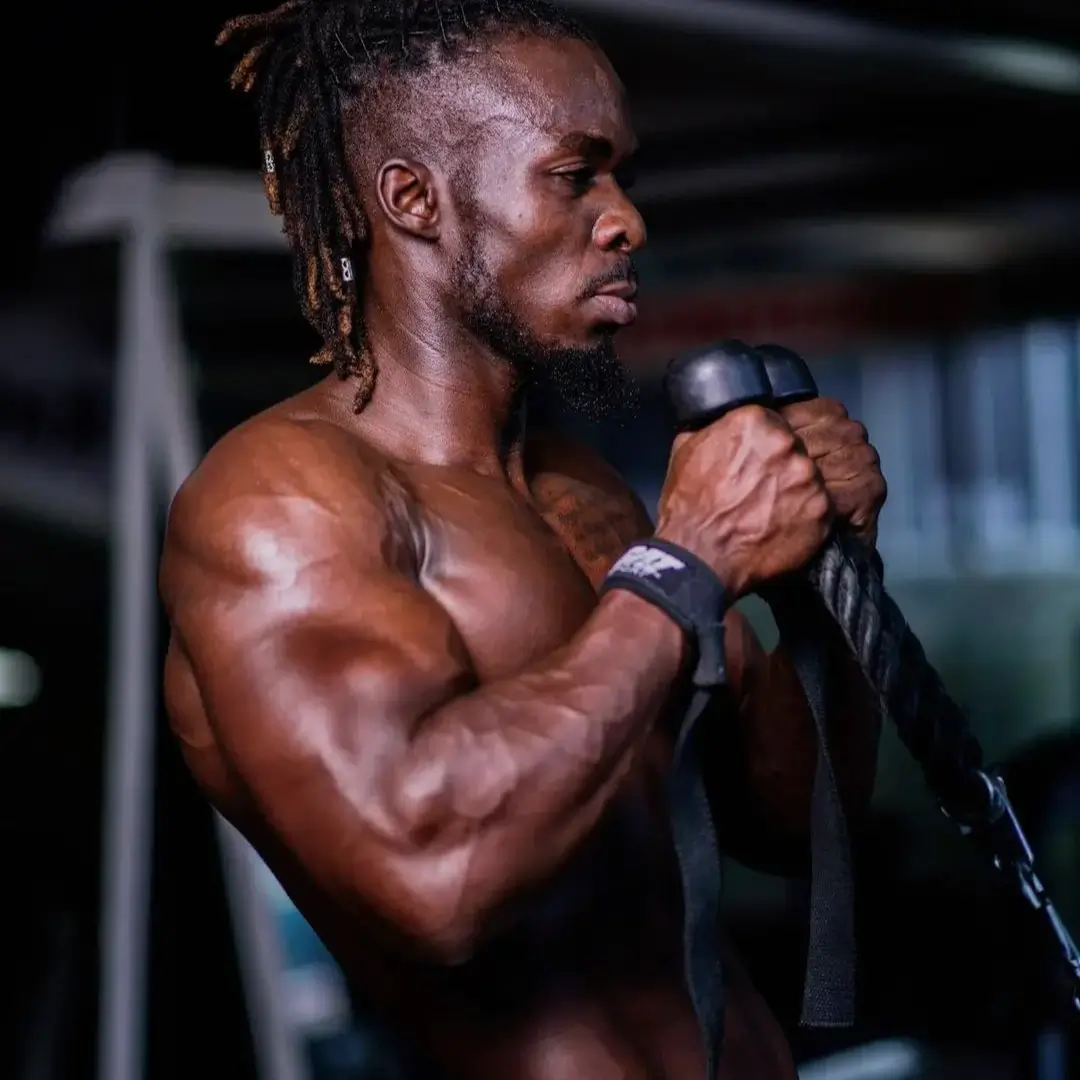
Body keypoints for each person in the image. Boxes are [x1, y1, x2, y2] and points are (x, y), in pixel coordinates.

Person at [159, 2, 887, 1077]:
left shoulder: (582, 494)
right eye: (576, 174)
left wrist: (829, 575)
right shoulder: (283, 499)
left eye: (622, 174)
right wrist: (687, 563)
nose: (627, 218)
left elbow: (786, 824)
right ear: (414, 199)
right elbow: (432, 875)